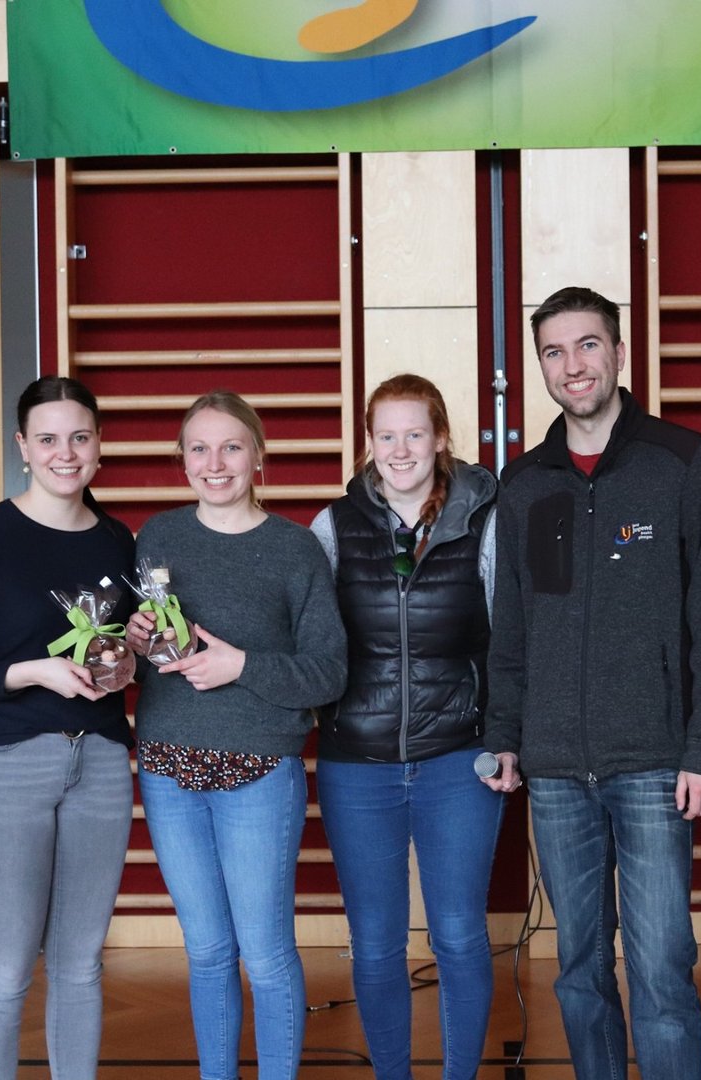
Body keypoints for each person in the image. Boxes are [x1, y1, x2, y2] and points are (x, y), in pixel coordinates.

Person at [482, 286, 701, 1080]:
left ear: (620, 353)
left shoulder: (683, 461)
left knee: (661, 969)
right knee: (579, 969)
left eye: (588, 344)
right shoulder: (524, 483)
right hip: (556, 769)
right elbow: (513, 627)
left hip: (655, 762)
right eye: (554, 352)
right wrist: (505, 736)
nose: (573, 365)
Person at [125, 390, 347, 1080]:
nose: (214, 463)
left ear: (258, 456)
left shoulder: (294, 548)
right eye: (199, 448)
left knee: (267, 954)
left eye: (230, 447)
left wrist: (241, 664)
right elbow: (151, 655)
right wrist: (136, 641)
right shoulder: (157, 537)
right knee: (207, 952)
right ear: (182, 459)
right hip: (168, 768)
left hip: (259, 772)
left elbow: (329, 673)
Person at [0, 376, 137, 1079]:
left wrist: (126, 663)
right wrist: (35, 671)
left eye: (79, 437)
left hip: (99, 764)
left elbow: (114, 653)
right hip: (3, 765)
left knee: (80, 964)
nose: (64, 453)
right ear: (22, 446)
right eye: (47, 439)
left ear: (99, 445)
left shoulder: (118, 541)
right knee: (7, 967)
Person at [309, 374, 503, 1080]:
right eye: (385, 435)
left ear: (441, 438)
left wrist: (507, 737)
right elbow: (306, 641)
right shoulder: (332, 526)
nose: (399, 449)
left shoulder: (486, 519)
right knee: (375, 944)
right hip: (355, 764)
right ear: (368, 441)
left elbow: (511, 642)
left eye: (414, 433)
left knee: (458, 935)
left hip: (459, 759)